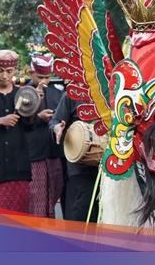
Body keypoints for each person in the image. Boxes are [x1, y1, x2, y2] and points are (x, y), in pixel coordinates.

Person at [0, 50, 38, 212]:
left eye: (9, 71)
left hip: (17, 170)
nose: (4, 76)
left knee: (15, 223)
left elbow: (31, 125)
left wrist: (33, 106)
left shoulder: (22, 94)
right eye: (0, 70)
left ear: (15, 70)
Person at [49, 92, 99, 222]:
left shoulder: (112, 92)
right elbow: (55, 121)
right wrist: (57, 128)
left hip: (107, 166)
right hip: (80, 165)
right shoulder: (72, 94)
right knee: (81, 210)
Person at [25, 54, 64, 217]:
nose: (44, 81)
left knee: (54, 193)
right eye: (40, 77)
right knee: (36, 199)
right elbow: (19, 123)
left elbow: (63, 116)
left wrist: (60, 123)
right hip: (34, 155)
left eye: (47, 77)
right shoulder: (22, 94)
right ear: (30, 73)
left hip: (54, 153)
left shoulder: (57, 93)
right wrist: (37, 116)